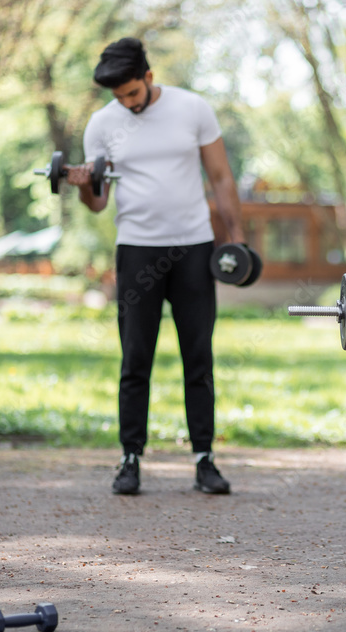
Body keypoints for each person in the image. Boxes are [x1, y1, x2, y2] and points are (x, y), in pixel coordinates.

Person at [67, 37, 245, 496]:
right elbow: (97, 203)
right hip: (137, 250)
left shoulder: (193, 109)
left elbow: (221, 177)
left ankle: (204, 458)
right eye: (118, 96)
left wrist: (237, 241)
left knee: (198, 357)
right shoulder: (102, 124)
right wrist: (84, 184)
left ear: (148, 76)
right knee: (135, 359)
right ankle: (130, 459)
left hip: (193, 249)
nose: (126, 103)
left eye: (132, 93)